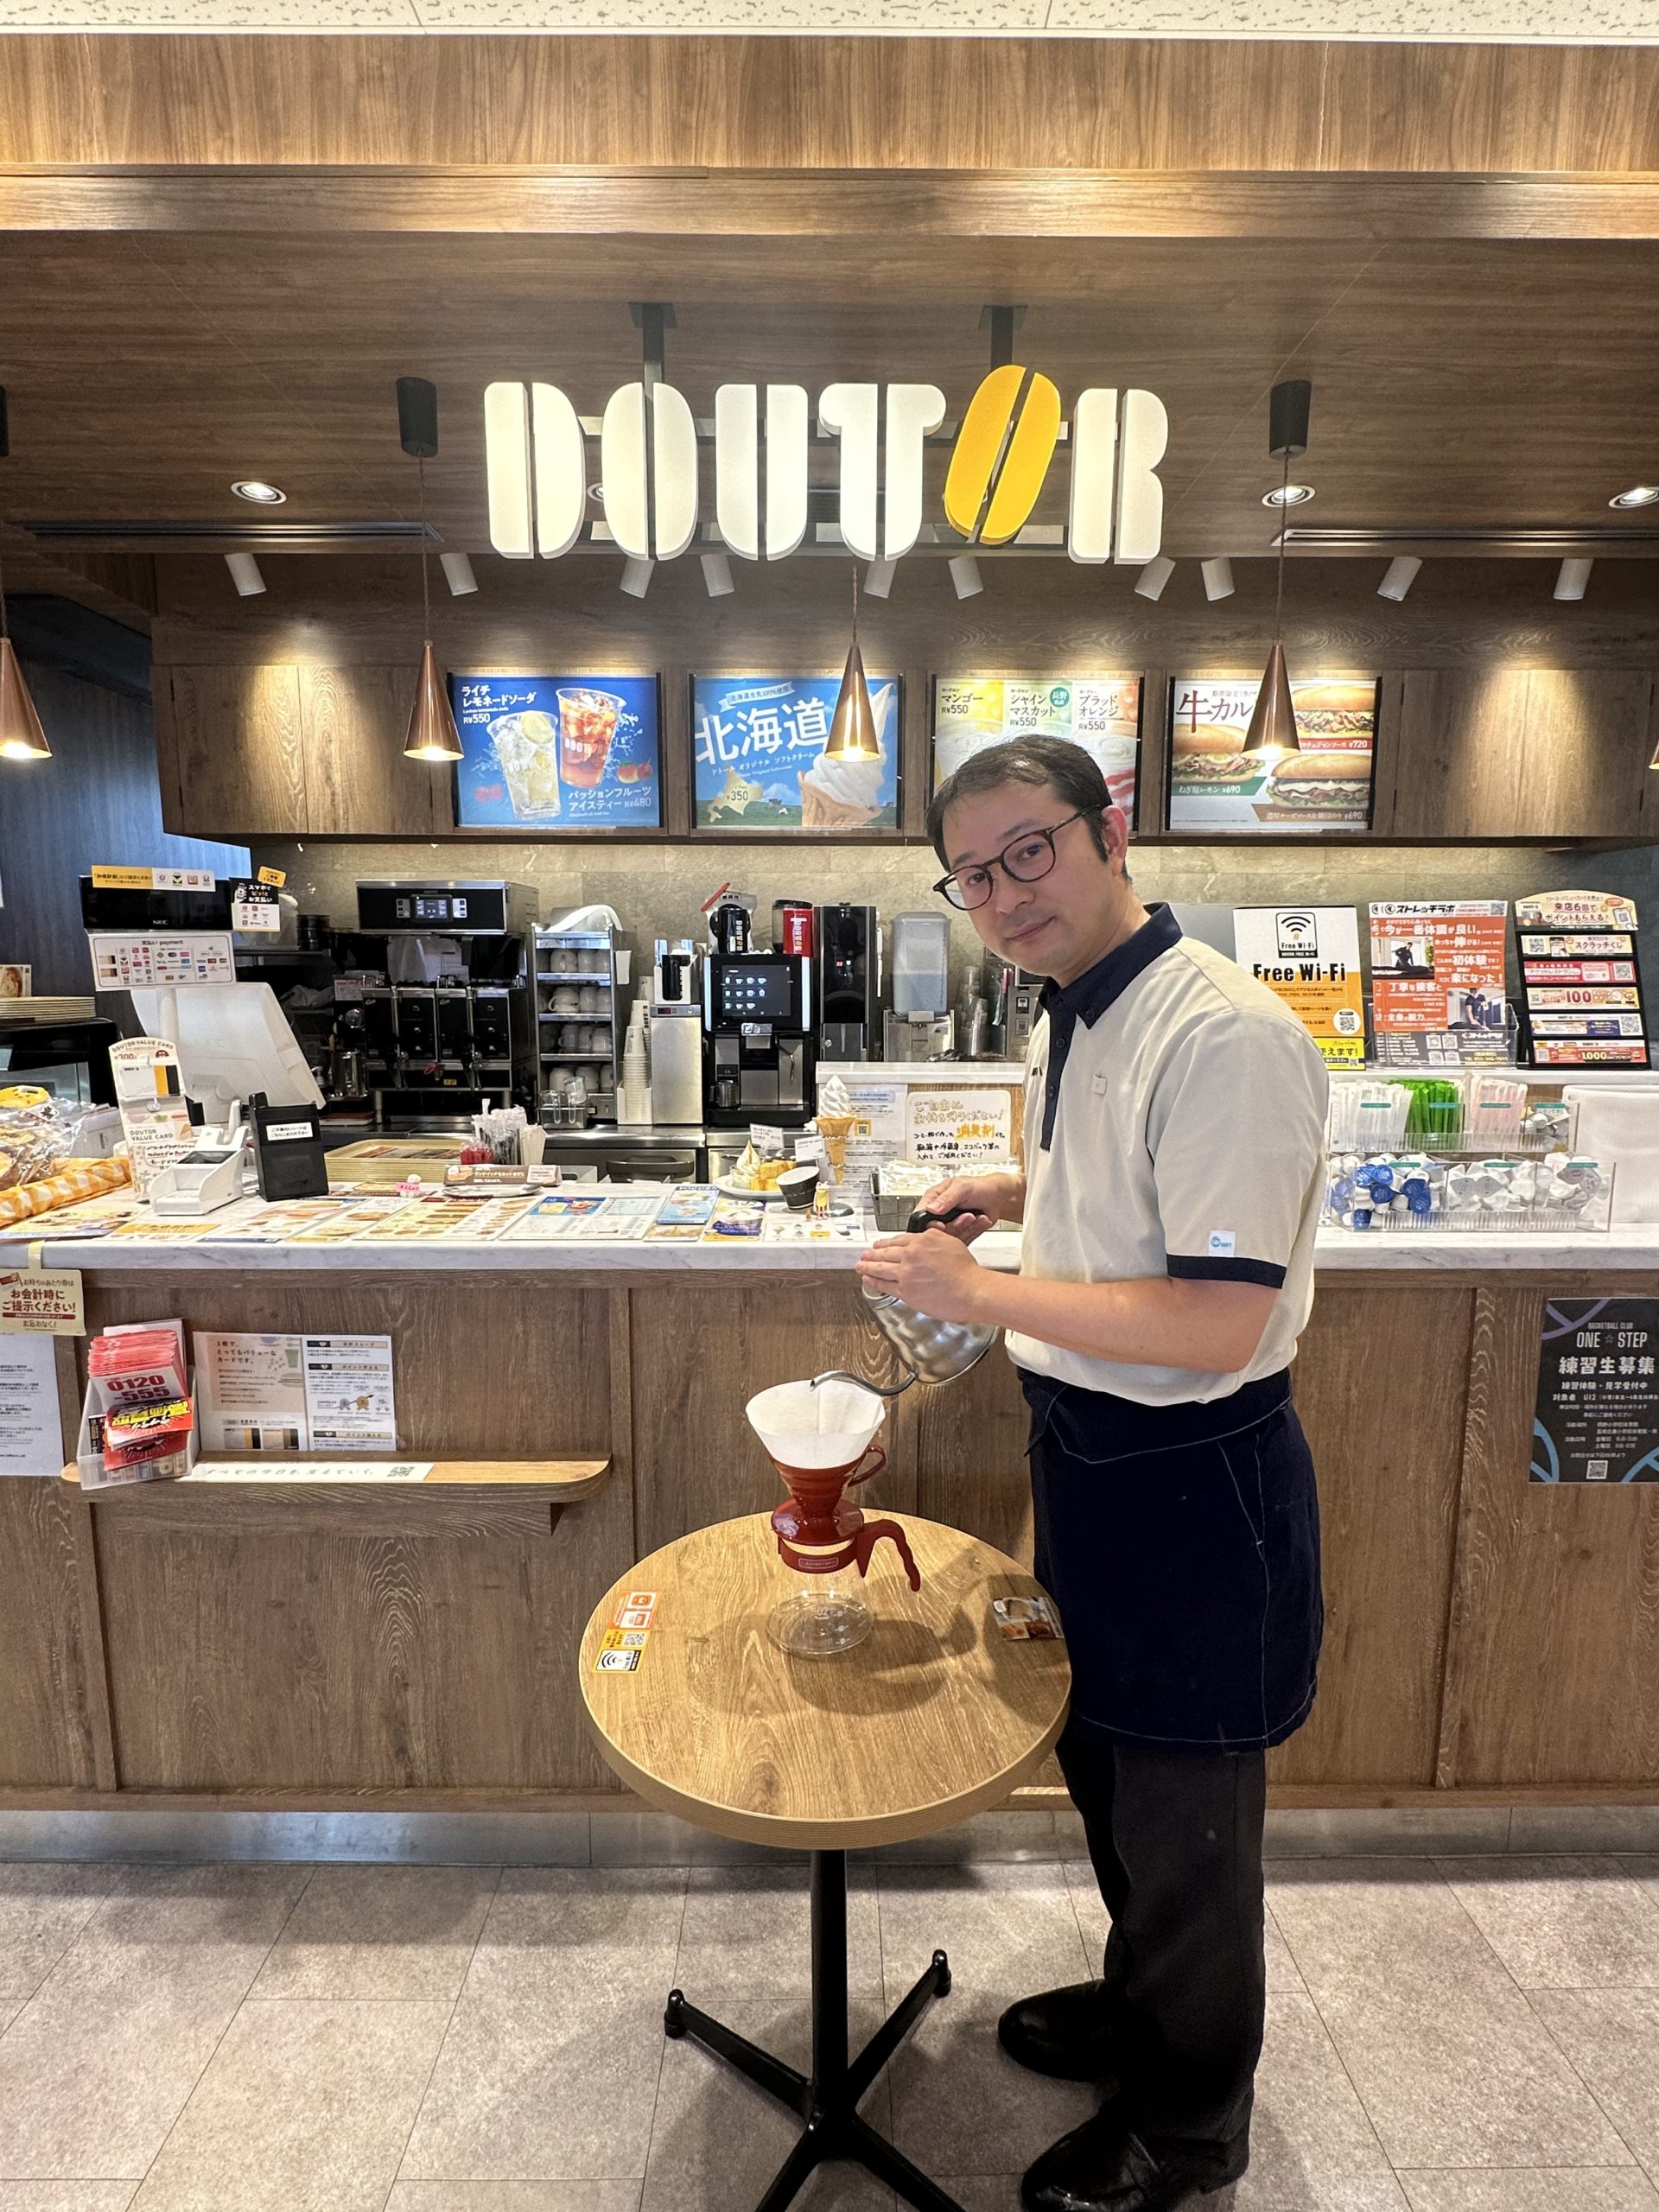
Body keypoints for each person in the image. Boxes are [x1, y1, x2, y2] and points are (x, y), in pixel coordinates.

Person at [856, 737, 1328, 2212]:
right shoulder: (1072, 1008)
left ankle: (1189, 2127)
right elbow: (1135, 1195)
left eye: (1030, 851)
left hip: (1196, 1480)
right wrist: (1023, 1191)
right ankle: (1142, 2012)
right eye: (972, 875)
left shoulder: (1223, 1033)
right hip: (1091, 1460)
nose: (1004, 895)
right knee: (1111, 1773)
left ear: (1108, 832)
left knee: (1190, 1832)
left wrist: (982, 1290)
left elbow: (1217, 1318)